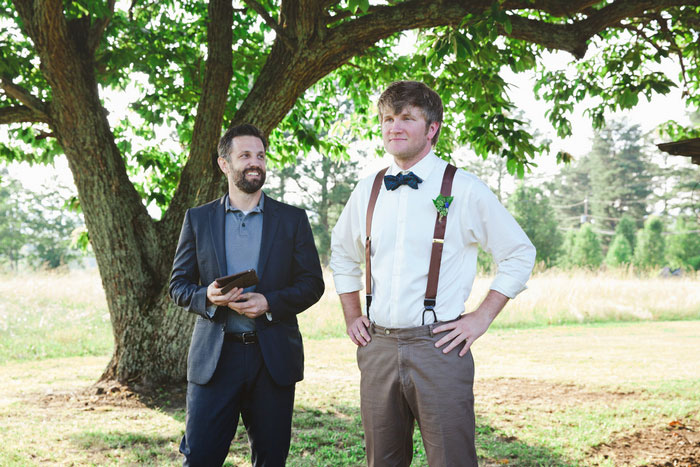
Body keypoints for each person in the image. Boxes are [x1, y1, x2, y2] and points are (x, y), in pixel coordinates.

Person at [330, 81, 536, 466]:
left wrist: (481, 317)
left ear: (432, 128)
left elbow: (519, 253)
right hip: (377, 348)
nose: (394, 126)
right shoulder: (367, 190)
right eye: (388, 118)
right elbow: (342, 255)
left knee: (451, 460)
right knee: (382, 461)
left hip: (439, 348)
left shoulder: (465, 188)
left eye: (407, 117)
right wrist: (352, 314)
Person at [169, 123, 324, 467]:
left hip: (272, 361)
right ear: (224, 164)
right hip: (215, 361)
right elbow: (177, 286)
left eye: (260, 155)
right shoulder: (198, 219)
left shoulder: (292, 220)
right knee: (200, 459)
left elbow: (313, 283)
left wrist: (269, 303)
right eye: (245, 156)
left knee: (271, 460)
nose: (255, 163)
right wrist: (207, 296)